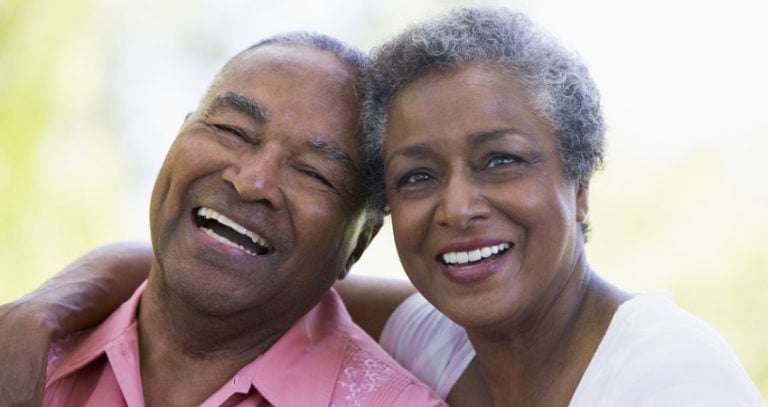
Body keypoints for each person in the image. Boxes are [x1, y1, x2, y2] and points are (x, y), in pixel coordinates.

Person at [2, 7, 764, 406]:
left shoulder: (669, 375)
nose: (459, 205)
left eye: (501, 160)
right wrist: (37, 311)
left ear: (582, 181)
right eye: (418, 176)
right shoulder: (440, 335)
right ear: (382, 226)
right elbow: (230, 273)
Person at [0, 32, 446, 407]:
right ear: (178, 137)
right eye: (231, 131)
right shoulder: (27, 358)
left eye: (313, 172)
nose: (253, 182)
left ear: (359, 244)